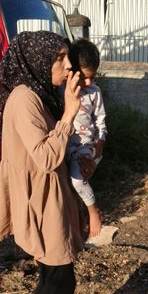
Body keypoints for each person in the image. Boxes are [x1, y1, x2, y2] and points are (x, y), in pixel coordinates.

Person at [0, 31, 91, 294]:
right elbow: (46, 157)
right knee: (59, 279)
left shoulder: (35, 94)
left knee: (55, 277)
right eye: (59, 58)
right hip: (42, 199)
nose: (67, 66)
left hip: (50, 194)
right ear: (36, 61)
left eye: (67, 57)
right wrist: (68, 115)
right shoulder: (24, 99)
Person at [67, 38, 107, 238]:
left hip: (86, 146)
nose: (89, 82)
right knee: (68, 187)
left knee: (77, 180)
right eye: (84, 78)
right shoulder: (62, 91)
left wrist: (99, 144)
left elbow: (101, 121)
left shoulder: (94, 92)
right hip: (65, 146)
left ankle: (93, 212)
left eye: (93, 77)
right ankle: (80, 217)